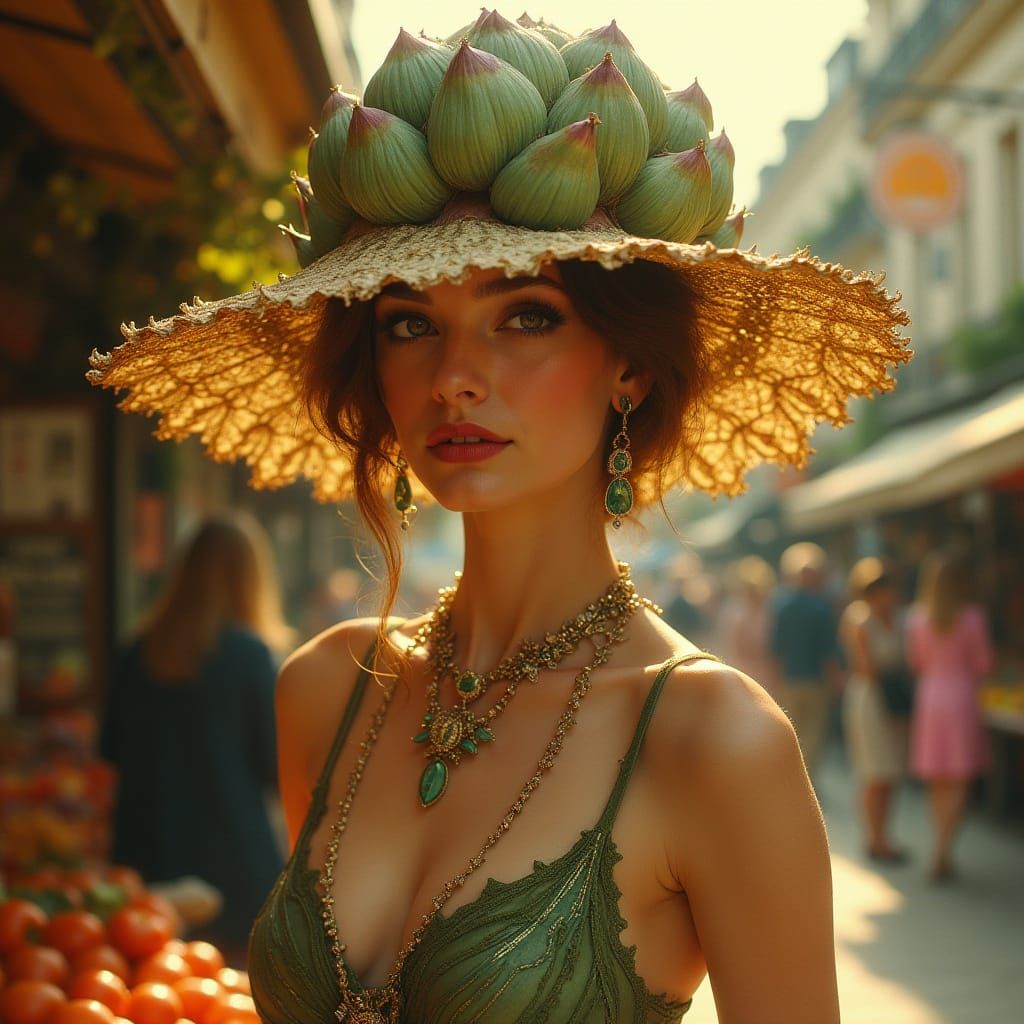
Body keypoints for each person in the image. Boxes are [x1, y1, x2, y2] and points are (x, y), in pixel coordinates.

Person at [87, 16, 911, 1022]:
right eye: (408, 324)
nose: (456, 377)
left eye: (526, 314)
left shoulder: (715, 741)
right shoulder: (322, 692)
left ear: (629, 365)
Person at [100, 514, 293, 962]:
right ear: (252, 578)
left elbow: (110, 750)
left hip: (147, 857)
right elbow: (276, 768)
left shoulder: (135, 652)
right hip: (236, 863)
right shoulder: (250, 656)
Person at [907, 550, 994, 881]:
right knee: (958, 777)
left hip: (930, 696)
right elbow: (983, 664)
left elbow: (916, 662)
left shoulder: (918, 617)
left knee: (937, 777)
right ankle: (944, 849)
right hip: (961, 696)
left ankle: (939, 846)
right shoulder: (972, 617)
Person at [838, 558, 908, 862]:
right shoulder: (859, 619)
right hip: (870, 700)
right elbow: (866, 667)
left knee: (890, 770)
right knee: (873, 770)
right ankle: (874, 837)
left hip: (892, 699)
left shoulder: (899, 618)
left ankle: (884, 836)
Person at [771, 542, 843, 785]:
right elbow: (828, 652)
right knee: (813, 734)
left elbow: (775, 647)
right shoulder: (821, 607)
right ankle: (806, 781)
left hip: (790, 679)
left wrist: (776, 679)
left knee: (795, 731)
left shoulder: (782, 605)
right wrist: (836, 681)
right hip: (815, 680)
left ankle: (795, 779)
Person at [714, 555, 779, 700]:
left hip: (765, 670)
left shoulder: (767, 608)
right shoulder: (735, 610)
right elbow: (732, 644)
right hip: (743, 669)